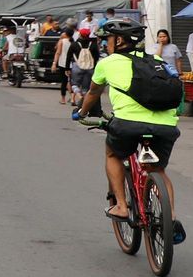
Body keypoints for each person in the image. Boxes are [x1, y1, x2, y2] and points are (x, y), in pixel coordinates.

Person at [76, 20, 183, 237]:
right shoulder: (157, 60)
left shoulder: (108, 63)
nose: (106, 44)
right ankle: (169, 219)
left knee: (113, 155)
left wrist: (82, 113)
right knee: (157, 169)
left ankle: (122, 207)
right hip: (166, 126)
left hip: (127, 124)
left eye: (108, 39)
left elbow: (93, 93)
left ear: (120, 40)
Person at [69, 30, 96, 107]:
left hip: (77, 66)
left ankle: (79, 96)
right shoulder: (93, 45)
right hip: (90, 68)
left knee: (74, 84)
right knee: (85, 87)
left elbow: (69, 56)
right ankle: (84, 102)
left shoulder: (74, 44)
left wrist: (67, 69)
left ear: (80, 35)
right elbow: (96, 57)